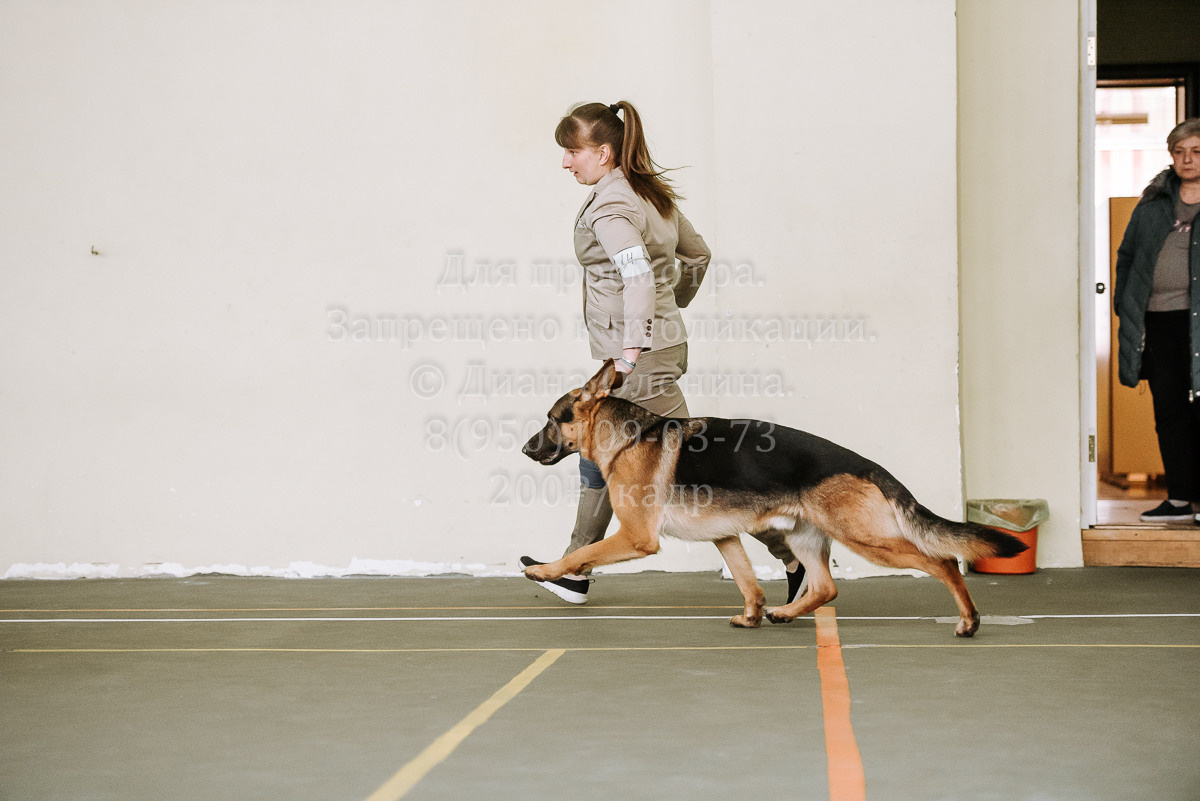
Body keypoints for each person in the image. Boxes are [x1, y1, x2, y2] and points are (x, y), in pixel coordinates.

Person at [520, 100, 807, 603]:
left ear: (603, 152)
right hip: (651, 350)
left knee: (704, 470)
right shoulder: (648, 193)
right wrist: (669, 311)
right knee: (600, 458)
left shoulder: (612, 207)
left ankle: (793, 559)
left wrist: (633, 345)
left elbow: (636, 275)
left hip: (639, 360)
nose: (566, 162)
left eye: (573, 152)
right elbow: (697, 255)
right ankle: (574, 568)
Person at [1114, 118, 1200, 523]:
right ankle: (1181, 500)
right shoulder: (1152, 204)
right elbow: (1127, 256)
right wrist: (1123, 306)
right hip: (1159, 324)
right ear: (1171, 156)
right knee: (1168, 409)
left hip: (1197, 322)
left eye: (1197, 151)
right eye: (1180, 151)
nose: (1187, 159)